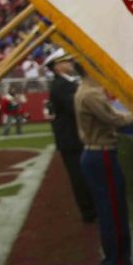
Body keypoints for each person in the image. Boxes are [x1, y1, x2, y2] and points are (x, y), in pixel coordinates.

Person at [74, 68, 133, 265]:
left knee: (111, 210)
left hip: (96, 154)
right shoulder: (92, 93)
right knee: (114, 211)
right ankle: (118, 264)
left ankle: (116, 261)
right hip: (102, 154)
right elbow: (115, 120)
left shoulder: (84, 90)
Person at [44, 48, 94, 223]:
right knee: (79, 177)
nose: (71, 63)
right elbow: (77, 108)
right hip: (71, 139)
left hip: (73, 138)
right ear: (57, 67)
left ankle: (91, 209)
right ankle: (89, 213)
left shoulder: (67, 83)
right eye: (66, 61)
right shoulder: (61, 86)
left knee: (83, 175)